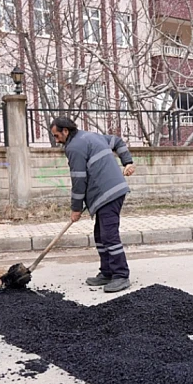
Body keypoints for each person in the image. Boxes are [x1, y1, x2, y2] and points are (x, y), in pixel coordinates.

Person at [50, 117, 136, 293]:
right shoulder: (91, 136)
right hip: (109, 191)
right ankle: (107, 272)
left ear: (66, 131)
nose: (56, 140)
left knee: (109, 235)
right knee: (100, 235)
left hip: (109, 193)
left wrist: (75, 208)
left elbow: (79, 179)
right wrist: (127, 161)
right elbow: (117, 141)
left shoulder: (74, 147)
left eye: (57, 135)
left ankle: (121, 275)